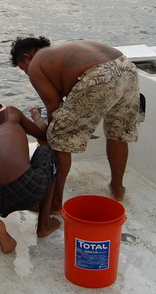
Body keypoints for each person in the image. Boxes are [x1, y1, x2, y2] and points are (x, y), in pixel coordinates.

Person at [10, 36, 139, 206]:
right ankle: (117, 189)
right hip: (126, 68)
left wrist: (51, 135)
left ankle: (54, 204)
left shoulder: (35, 64)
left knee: (58, 137)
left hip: (100, 75)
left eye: (22, 68)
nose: (26, 72)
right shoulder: (58, 54)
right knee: (118, 133)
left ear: (27, 57)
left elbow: (54, 108)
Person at [0, 105, 61, 254]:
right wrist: (37, 117)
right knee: (47, 151)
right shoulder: (10, 113)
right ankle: (44, 225)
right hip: (28, 189)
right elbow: (43, 136)